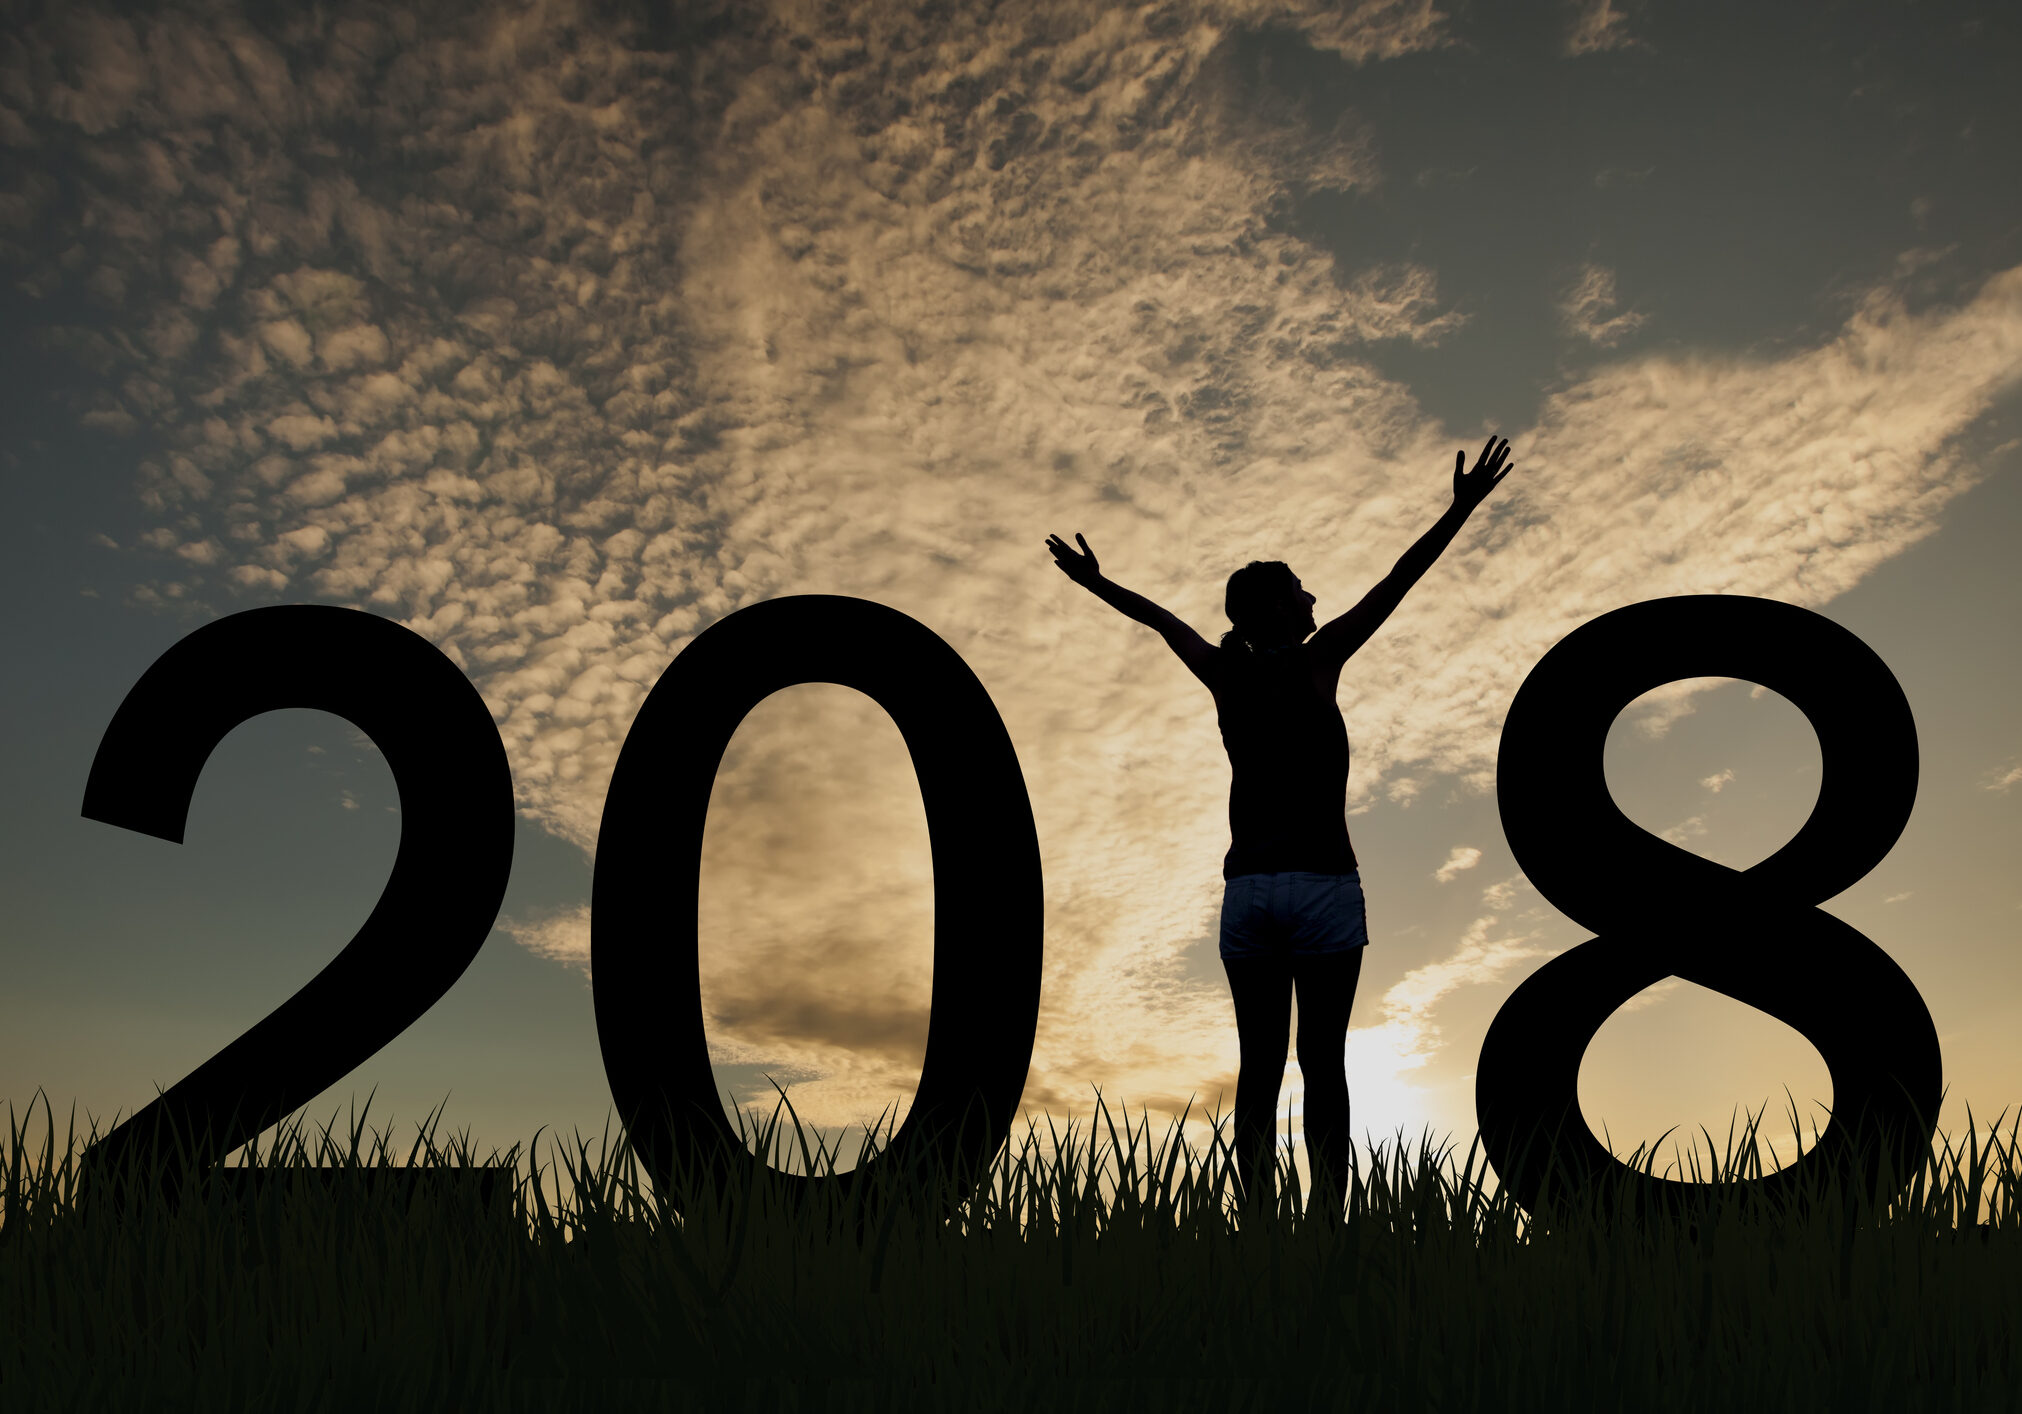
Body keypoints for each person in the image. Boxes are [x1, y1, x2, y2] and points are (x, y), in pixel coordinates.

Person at [1045, 435, 1516, 1214]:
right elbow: (1399, 582)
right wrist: (1458, 511)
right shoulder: (1318, 661)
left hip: (1250, 890)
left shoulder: (1224, 673)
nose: (1313, 599)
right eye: (1298, 590)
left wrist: (1098, 584)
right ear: (1268, 606)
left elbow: (1158, 619)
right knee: (1322, 1065)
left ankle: (1260, 1226)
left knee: (1259, 1067)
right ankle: (1330, 1222)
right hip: (1325, 884)